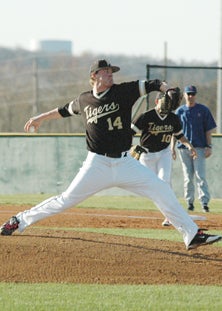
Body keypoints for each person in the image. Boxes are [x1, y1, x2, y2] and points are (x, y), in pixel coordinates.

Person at [0, 60, 221, 250]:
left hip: (125, 163)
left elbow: (152, 84)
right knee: (64, 200)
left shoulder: (123, 92)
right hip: (96, 164)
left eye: (112, 71)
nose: (111, 74)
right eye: (106, 71)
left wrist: (167, 88)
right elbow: (63, 110)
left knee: (161, 188)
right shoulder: (84, 100)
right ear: (94, 75)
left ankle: (191, 235)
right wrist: (40, 118)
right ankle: (18, 221)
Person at [131, 91, 197, 227]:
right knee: (153, 187)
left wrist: (189, 146)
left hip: (163, 153)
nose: (166, 106)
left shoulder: (172, 118)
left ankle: (170, 216)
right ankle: (170, 212)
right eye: (163, 103)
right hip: (147, 154)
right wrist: (130, 146)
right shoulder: (146, 116)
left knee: (164, 182)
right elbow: (129, 132)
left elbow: (179, 136)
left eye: (168, 104)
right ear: (156, 102)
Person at [172, 85, 216, 213]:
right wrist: (172, 148)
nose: (191, 96)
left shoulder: (203, 110)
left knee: (200, 176)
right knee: (187, 177)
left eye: (193, 94)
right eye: (188, 94)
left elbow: (208, 130)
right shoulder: (179, 111)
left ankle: (204, 203)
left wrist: (209, 146)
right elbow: (174, 132)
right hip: (183, 148)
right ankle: (189, 202)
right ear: (184, 95)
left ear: (195, 95)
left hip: (199, 147)